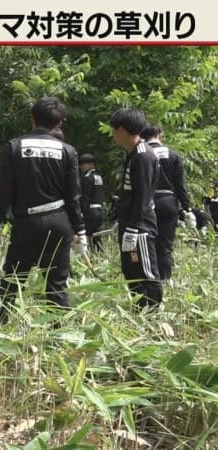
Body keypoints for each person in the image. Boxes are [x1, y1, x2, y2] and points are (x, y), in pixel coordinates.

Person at [0, 96, 86, 324]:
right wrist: (80, 230)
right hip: (58, 220)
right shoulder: (68, 151)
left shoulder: (14, 147)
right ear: (60, 122)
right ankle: (58, 334)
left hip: (27, 223)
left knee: (12, 278)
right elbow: (73, 196)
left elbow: (4, 190)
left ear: (32, 119)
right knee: (56, 283)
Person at [110, 108, 163, 309]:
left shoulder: (143, 156)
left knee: (146, 271)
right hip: (129, 222)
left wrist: (134, 226)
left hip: (140, 225)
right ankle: (139, 308)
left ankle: (153, 311)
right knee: (130, 269)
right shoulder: (131, 154)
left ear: (122, 130)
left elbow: (143, 195)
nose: (113, 134)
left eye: (114, 130)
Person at [139, 124, 196, 282]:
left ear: (143, 137)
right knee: (165, 244)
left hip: (146, 203)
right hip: (168, 202)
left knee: (148, 242)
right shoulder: (173, 155)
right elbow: (180, 185)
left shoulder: (140, 154)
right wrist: (187, 208)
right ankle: (165, 278)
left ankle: (150, 277)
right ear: (160, 135)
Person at [79, 153, 105, 252]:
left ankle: (89, 256)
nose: (80, 167)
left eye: (82, 164)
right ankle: (101, 255)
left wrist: (82, 212)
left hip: (90, 210)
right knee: (97, 235)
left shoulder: (87, 177)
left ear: (90, 164)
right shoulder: (98, 176)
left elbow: (85, 197)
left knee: (87, 236)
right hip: (99, 209)